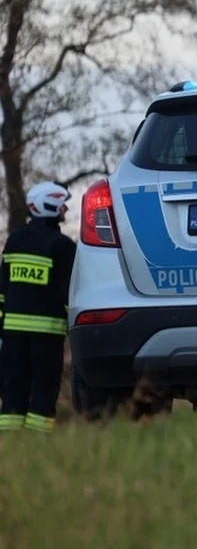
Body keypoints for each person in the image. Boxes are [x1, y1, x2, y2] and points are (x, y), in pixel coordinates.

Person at [0, 181, 77, 432]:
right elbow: (69, 293)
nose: (65, 208)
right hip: (48, 334)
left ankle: (10, 441)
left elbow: (3, 288)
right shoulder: (63, 247)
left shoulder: (14, 240)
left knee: (13, 387)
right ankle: (37, 440)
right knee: (44, 388)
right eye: (62, 203)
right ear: (51, 205)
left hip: (12, 334)